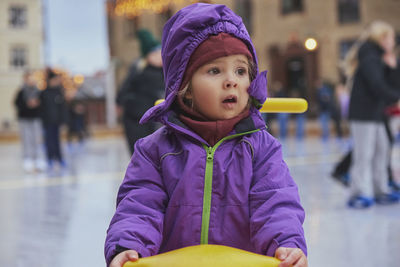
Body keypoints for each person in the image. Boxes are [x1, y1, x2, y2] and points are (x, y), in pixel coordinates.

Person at [105, 3, 307, 267]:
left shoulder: (261, 148)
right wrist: (129, 244)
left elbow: (276, 202)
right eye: (214, 70)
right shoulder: (156, 150)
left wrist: (286, 243)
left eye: (241, 71)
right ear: (185, 87)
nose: (231, 81)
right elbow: (140, 204)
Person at [345, 21, 400, 208]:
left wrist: (392, 68)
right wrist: (395, 98)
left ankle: (380, 188)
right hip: (363, 113)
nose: (393, 42)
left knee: (381, 150)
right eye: (391, 38)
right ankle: (359, 192)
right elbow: (376, 84)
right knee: (364, 153)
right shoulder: (369, 55)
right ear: (382, 38)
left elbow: (392, 83)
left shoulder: (380, 57)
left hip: (376, 113)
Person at [116, 29, 164, 155]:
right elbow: (124, 90)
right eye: (155, 53)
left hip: (155, 121)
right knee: (141, 154)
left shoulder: (165, 73)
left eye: (161, 53)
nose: (160, 56)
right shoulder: (139, 72)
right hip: (136, 120)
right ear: (147, 56)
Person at [14, 70, 46, 172]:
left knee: (37, 140)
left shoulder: (39, 92)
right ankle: (28, 161)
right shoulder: (21, 92)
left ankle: (38, 160)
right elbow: (17, 104)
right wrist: (27, 104)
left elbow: (44, 105)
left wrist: (37, 104)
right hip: (24, 119)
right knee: (27, 140)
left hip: (36, 118)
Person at [40, 68, 67, 171]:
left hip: (57, 121)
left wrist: (64, 120)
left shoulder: (59, 92)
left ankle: (59, 159)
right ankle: (50, 159)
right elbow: (41, 108)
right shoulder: (44, 93)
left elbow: (63, 108)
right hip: (47, 122)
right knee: (49, 141)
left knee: (57, 141)